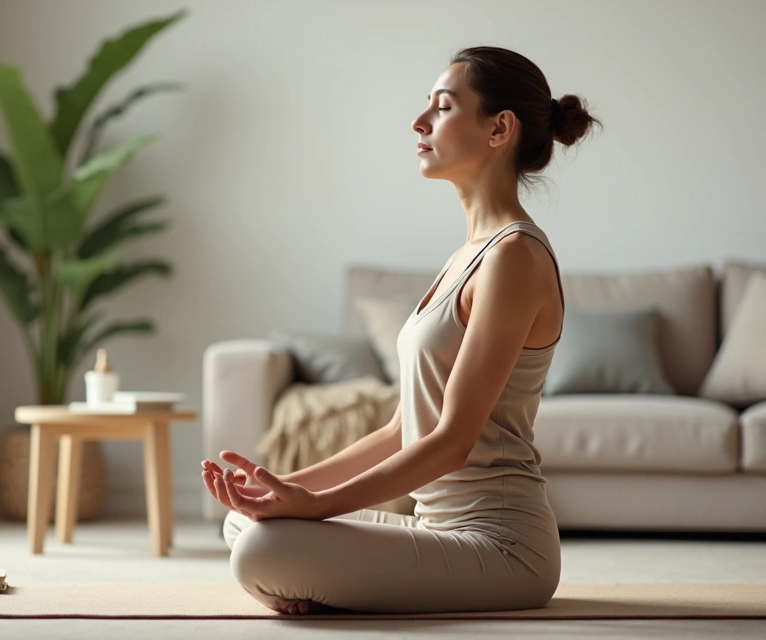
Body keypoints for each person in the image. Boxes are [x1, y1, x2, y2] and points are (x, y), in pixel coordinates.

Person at [201, 45, 600, 615]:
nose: (419, 122)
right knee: (246, 523)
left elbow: (454, 440)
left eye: (442, 107)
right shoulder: (467, 254)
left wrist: (311, 510)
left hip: (503, 548)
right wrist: (284, 492)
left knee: (263, 548)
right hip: (437, 528)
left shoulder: (515, 256)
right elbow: (401, 430)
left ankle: (306, 576)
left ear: (499, 129)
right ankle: (309, 573)